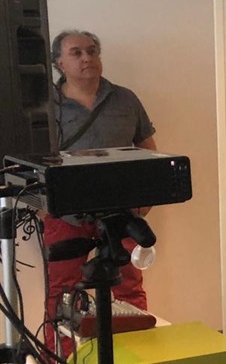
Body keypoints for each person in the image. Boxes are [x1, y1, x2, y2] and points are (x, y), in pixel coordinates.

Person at [45, 30, 157, 332]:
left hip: (121, 213)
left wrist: (146, 200)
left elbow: (148, 150)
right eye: (77, 53)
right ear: (59, 63)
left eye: (92, 51)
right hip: (66, 214)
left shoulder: (125, 99)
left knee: (128, 287)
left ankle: (135, 352)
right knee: (63, 292)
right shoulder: (44, 106)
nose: (87, 58)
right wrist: (44, 207)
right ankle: (63, 358)